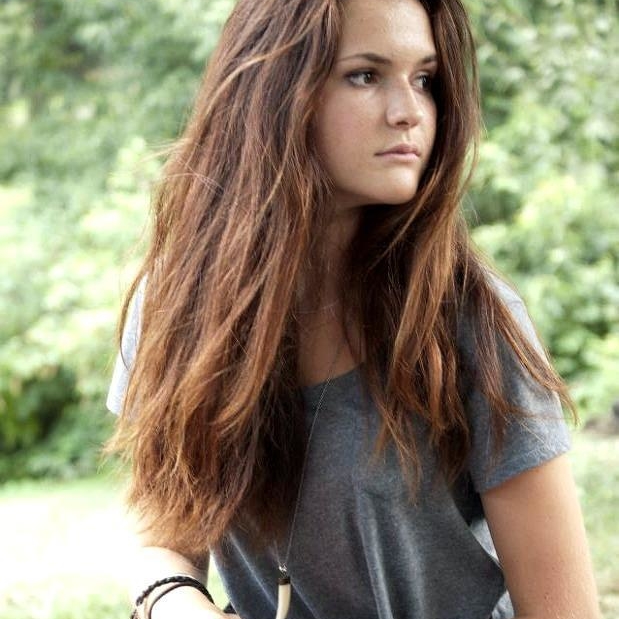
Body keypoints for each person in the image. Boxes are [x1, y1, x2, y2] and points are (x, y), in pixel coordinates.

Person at [106, 0, 601, 618]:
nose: (410, 111)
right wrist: (178, 603)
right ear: (274, 91)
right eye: (365, 75)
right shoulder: (178, 305)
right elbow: (160, 533)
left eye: (425, 79)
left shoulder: (470, 319)